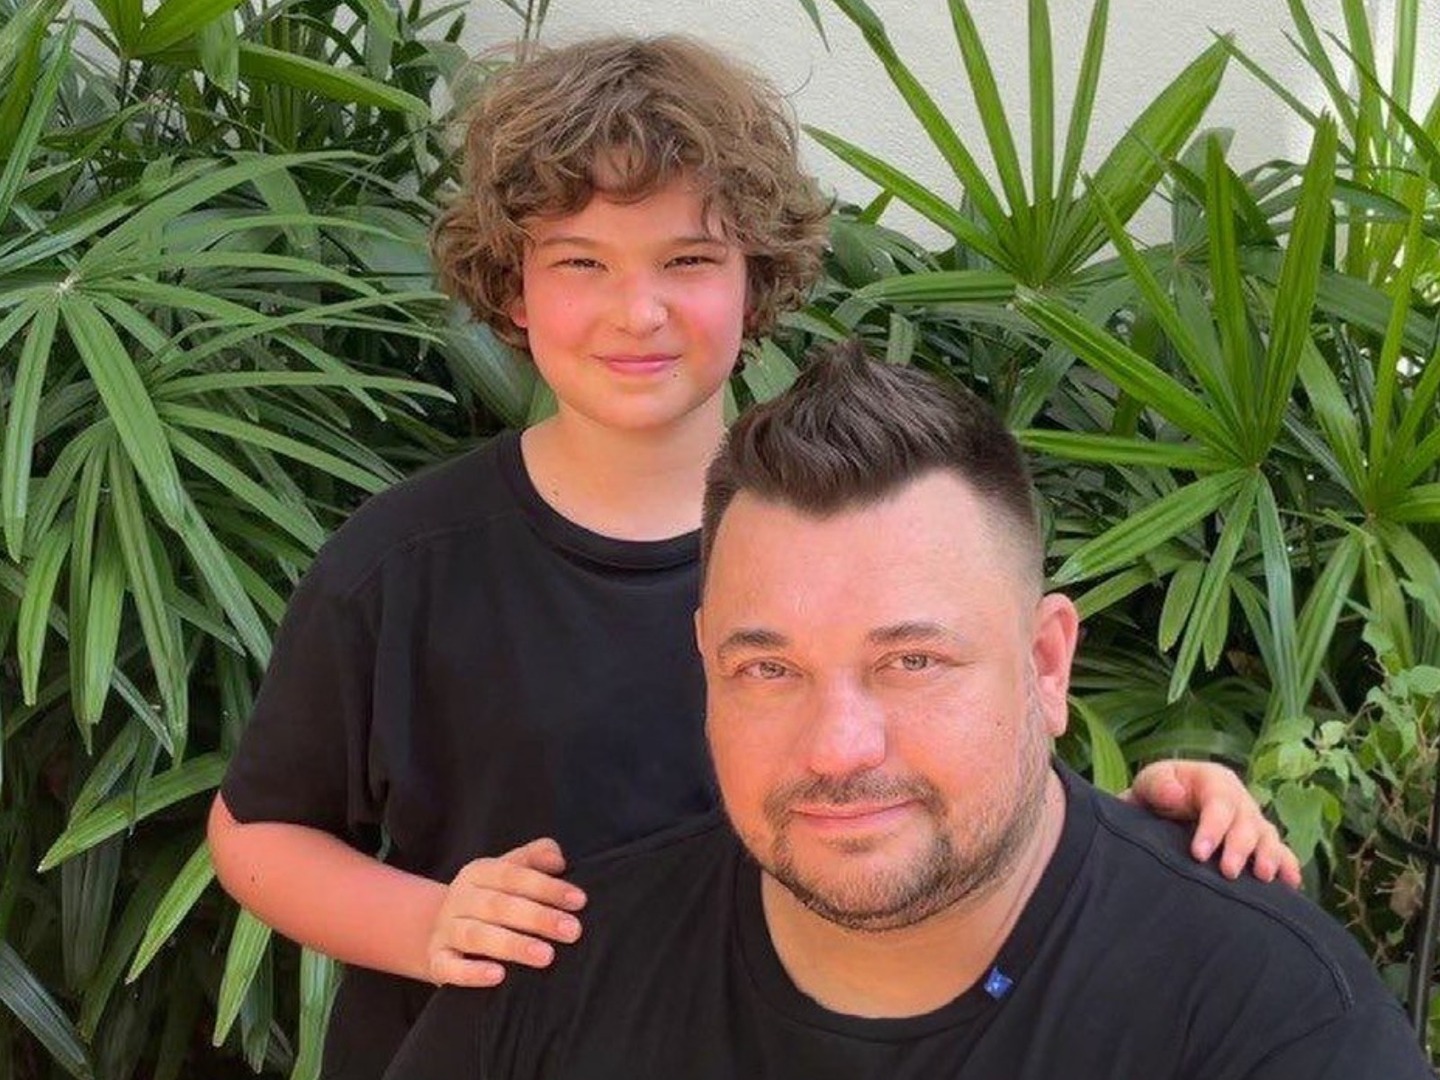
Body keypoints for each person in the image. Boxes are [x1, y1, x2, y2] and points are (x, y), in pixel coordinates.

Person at [207, 36, 1301, 1080]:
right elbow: (256, 830)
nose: (639, 310)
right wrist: (427, 920)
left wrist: (1149, 828)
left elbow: (954, 783)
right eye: (581, 261)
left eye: (688, 259)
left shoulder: (861, 535)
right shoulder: (400, 566)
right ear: (513, 286)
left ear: (755, 274)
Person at [382, 342, 1430, 1080]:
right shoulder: (554, 984)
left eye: (913, 661)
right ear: (706, 666)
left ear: (1046, 664)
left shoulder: (1263, 1015)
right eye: (770, 670)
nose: (839, 749)